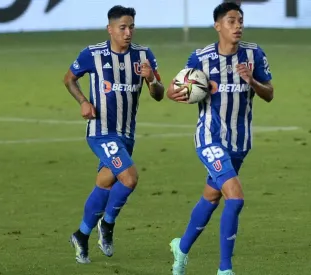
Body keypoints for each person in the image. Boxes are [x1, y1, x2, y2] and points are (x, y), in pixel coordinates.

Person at [166, 2, 273, 274]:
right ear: (218, 26)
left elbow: (269, 93)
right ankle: (225, 269)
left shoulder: (254, 54)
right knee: (235, 199)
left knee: (212, 198)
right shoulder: (200, 58)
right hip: (209, 138)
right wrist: (176, 93)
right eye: (231, 21)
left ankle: (182, 247)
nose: (237, 26)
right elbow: (176, 88)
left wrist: (252, 81)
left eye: (240, 21)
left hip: (240, 143)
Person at [62, 5, 164, 264]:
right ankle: (107, 224)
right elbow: (69, 79)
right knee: (129, 179)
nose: (128, 32)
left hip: (126, 135)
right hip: (100, 133)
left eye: (131, 27)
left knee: (105, 183)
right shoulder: (92, 54)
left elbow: (159, 94)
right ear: (110, 29)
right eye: (122, 27)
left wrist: (151, 79)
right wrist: (83, 102)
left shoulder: (143, 56)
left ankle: (81, 235)